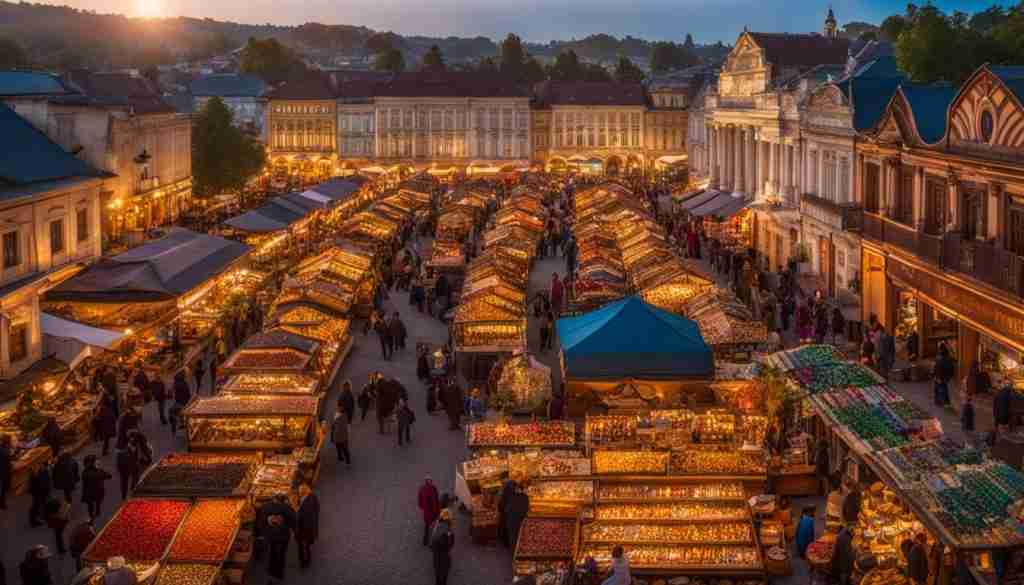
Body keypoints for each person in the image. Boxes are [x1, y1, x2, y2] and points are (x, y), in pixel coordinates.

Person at [259, 494, 296, 582]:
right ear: (283, 500)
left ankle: (271, 571)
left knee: (272, 552)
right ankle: (279, 574)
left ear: (273, 499)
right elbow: (294, 520)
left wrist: (264, 531)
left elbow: (261, 521)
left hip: (271, 536)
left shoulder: (265, 507)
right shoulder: (287, 508)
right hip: (283, 536)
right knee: (282, 554)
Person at [295, 484, 320, 569]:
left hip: (304, 530)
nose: (298, 493)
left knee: (302, 546)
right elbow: (317, 507)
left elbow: (301, 518)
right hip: (310, 527)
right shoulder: (313, 496)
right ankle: (307, 560)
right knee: (307, 546)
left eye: (299, 492)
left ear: (302, 493)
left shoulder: (305, 504)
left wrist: (297, 513)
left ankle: (304, 562)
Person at [80, 455, 110, 520]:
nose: (98, 463)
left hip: (88, 491)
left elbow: (84, 479)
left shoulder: (85, 472)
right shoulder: (99, 471)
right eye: (96, 462)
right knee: (98, 501)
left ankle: (91, 515)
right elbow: (109, 476)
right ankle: (97, 511)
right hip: (98, 490)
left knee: (90, 505)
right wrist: (99, 469)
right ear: (93, 463)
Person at [430, 509, 455, 585]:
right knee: (444, 576)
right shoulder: (448, 531)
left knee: (437, 575)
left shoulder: (436, 526)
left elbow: (431, 543)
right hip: (444, 557)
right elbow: (451, 544)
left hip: (436, 556)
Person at [418, 476, 441, 547]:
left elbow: (420, 500)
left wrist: (422, 506)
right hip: (433, 511)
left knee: (427, 526)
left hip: (427, 512)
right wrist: (437, 510)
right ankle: (432, 541)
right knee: (435, 526)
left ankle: (425, 541)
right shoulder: (433, 488)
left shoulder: (422, 488)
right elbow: (435, 499)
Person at [29, 462, 52, 527]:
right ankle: (33, 521)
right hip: (39, 492)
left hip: (41, 492)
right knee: (36, 506)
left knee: (41, 504)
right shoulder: (37, 473)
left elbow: (46, 482)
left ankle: (40, 517)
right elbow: (40, 483)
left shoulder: (43, 472)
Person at [0, 434, 11, 510]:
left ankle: (2, 503)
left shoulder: (3, 448)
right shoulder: (4, 449)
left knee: (3, 489)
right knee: (2, 489)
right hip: (3, 471)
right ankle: (2, 504)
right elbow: (6, 459)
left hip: (3, 471)